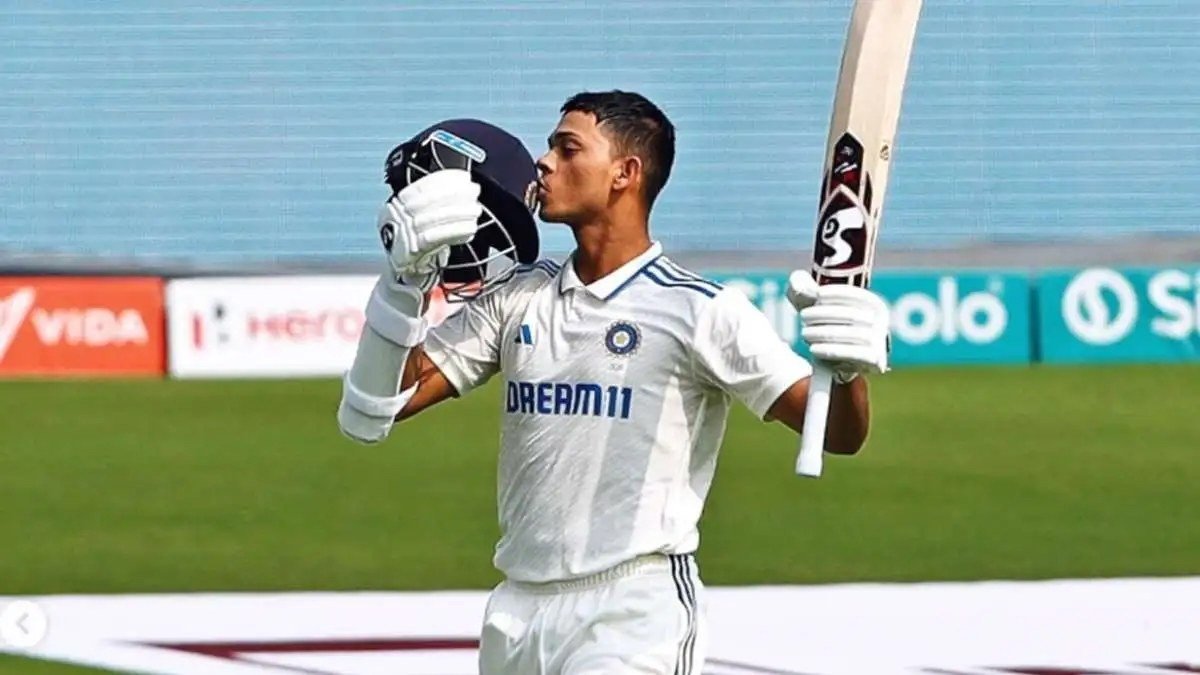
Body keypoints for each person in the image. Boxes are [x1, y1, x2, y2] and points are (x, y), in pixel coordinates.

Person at [337, 93, 890, 675]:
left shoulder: (700, 309)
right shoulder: (520, 295)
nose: (544, 162)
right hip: (517, 611)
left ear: (625, 173)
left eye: (567, 148)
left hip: (634, 610)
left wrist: (847, 370)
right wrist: (404, 285)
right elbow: (381, 405)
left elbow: (838, 434)